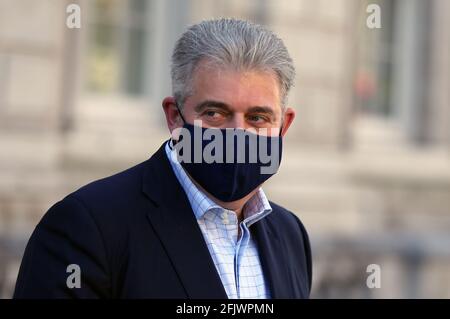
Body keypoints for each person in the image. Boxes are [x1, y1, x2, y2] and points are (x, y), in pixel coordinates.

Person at [14, 18, 312, 299]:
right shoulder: (88, 227)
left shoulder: (290, 235)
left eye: (258, 117)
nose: (237, 133)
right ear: (174, 117)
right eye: (214, 113)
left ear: (283, 126)